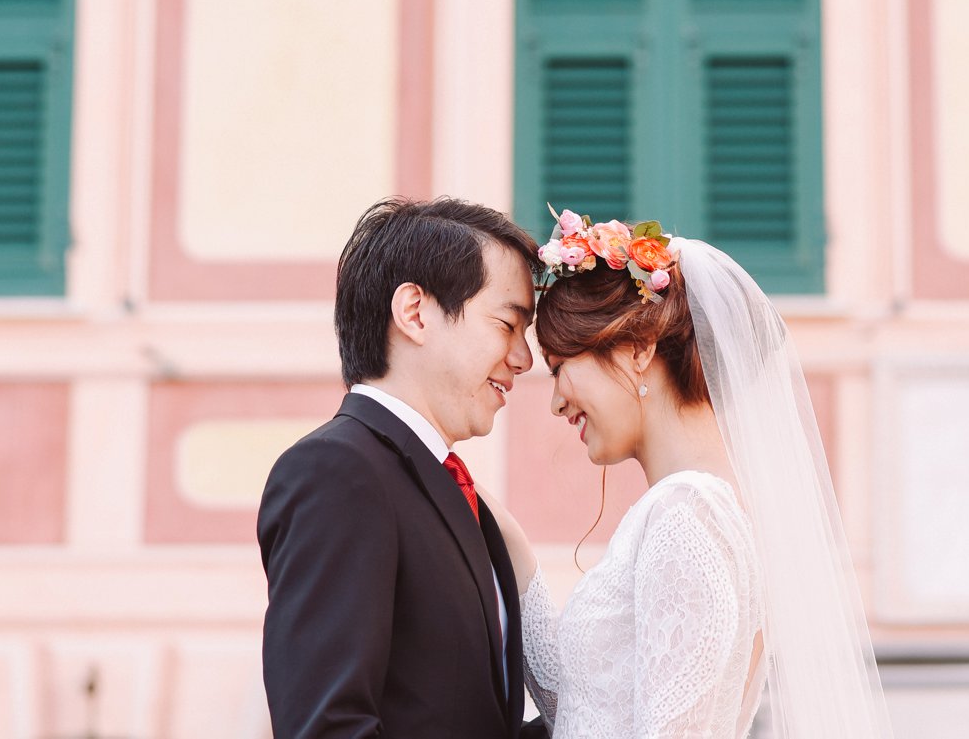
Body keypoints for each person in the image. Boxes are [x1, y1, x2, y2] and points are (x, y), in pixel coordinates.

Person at [485, 210, 896, 739]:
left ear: (637, 350)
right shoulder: (700, 508)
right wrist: (500, 529)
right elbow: (588, 709)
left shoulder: (688, 514)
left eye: (563, 366)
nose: (557, 402)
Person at [257, 197, 549, 739]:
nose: (523, 359)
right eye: (509, 325)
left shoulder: (450, 489)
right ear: (415, 312)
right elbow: (327, 726)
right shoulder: (337, 471)